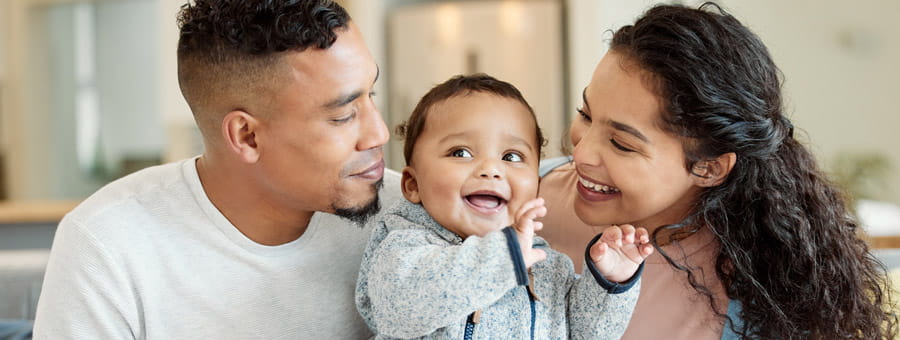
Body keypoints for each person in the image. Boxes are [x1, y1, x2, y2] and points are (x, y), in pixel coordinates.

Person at [33, 1, 403, 338]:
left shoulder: (407, 213)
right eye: (343, 115)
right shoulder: (107, 244)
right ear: (247, 137)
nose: (379, 133)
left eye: (370, 94)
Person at [538, 3, 898, 339]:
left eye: (621, 144)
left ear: (709, 167)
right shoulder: (525, 192)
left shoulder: (750, 297)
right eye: (586, 115)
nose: (580, 153)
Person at [356, 74, 652, 339]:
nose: (491, 169)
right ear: (413, 185)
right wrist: (502, 258)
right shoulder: (406, 251)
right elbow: (399, 312)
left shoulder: (546, 264)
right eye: (461, 153)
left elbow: (587, 333)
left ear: (536, 187)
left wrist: (610, 283)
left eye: (511, 157)